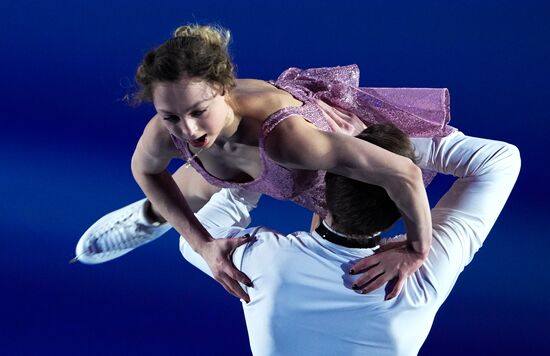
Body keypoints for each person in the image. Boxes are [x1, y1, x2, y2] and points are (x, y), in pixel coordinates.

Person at [74, 24, 455, 302]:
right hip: (245, 155)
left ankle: (236, 196)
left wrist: (417, 250)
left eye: (198, 111)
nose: (187, 129)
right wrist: (202, 244)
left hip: (321, 177)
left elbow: (403, 173)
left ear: (224, 90)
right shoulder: (169, 129)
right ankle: (149, 219)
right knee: (187, 189)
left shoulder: (291, 140)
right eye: (170, 115)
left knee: (341, 269)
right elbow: (146, 169)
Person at [178, 124, 521, 355]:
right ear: (406, 206)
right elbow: (499, 160)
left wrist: (260, 175)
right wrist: (394, 164)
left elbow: (197, 237)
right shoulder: (427, 272)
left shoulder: (266, 262)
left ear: (323, 182)